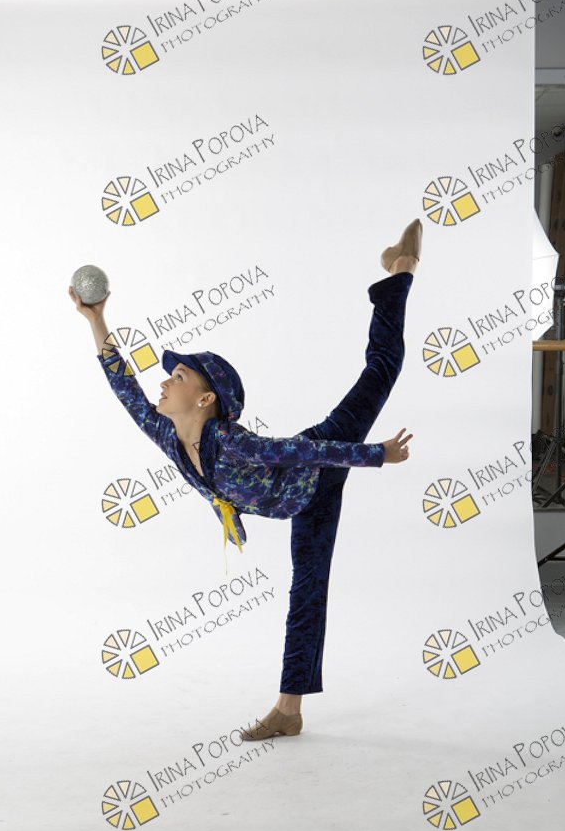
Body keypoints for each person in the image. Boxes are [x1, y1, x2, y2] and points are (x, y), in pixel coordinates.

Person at [69, 217, 420, 739]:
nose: (164, 382)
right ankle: (289, 712)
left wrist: (376, 454)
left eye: (178, 377)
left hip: (321, 457)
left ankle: (401, 269)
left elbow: (302, 451)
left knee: (382, 369)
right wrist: (96, 320)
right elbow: (125, 389)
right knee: (307, 593)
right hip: (305, 503)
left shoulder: (231, 442)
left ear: (205, 400)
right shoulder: (169, 436)